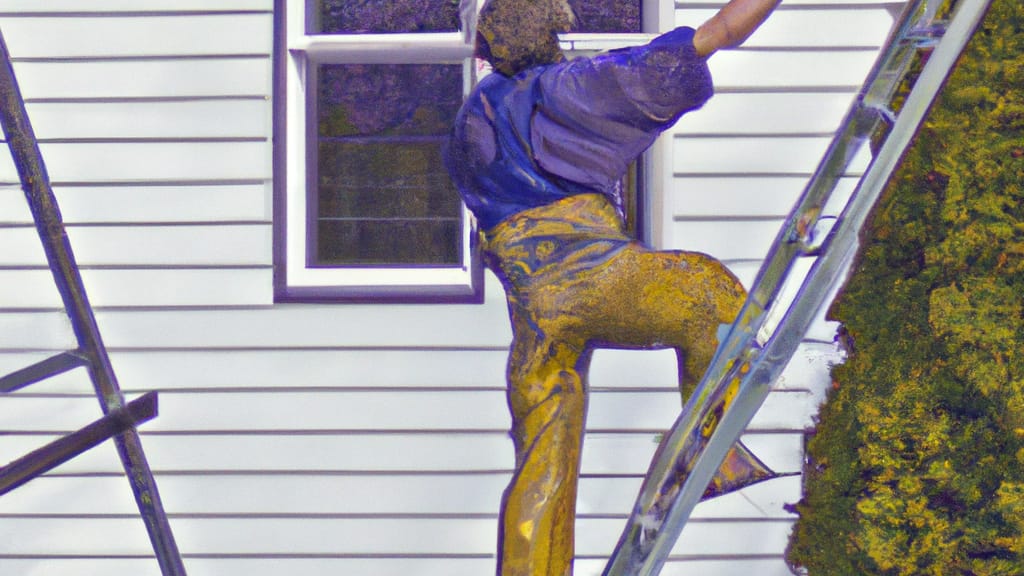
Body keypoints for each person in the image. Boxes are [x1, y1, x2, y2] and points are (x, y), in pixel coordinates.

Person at [443, 1, 782, 574]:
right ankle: (704, 451)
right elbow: (711, 37)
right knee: (711, 291)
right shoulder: (561, 91)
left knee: (542, 456)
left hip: (531, 310)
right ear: (544, 29)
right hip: (583, 276)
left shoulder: (472, 114)